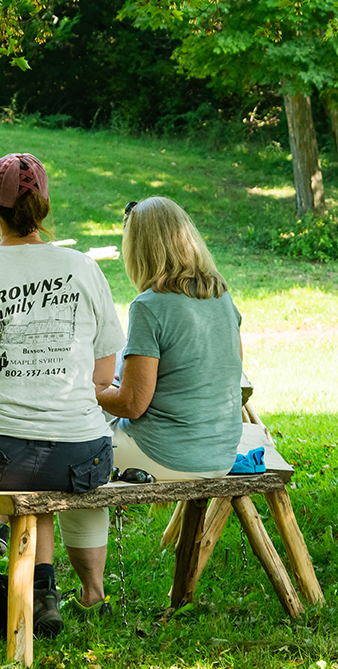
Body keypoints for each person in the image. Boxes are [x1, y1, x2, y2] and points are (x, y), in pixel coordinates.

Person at [0, 152, 122, 638]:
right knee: (40, 478)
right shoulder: (85, 269)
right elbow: (101, 377)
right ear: (44, 208)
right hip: (81, 454)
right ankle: (43, 593)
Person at [96, 196, 246, 485]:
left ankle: (9, 525)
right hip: (221, 454)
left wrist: (90, 392)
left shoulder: (149, 305)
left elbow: (131, 405)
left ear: (140, 250)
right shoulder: (221, 296)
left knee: (72, 454)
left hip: (165, 455)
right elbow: (230, 373)